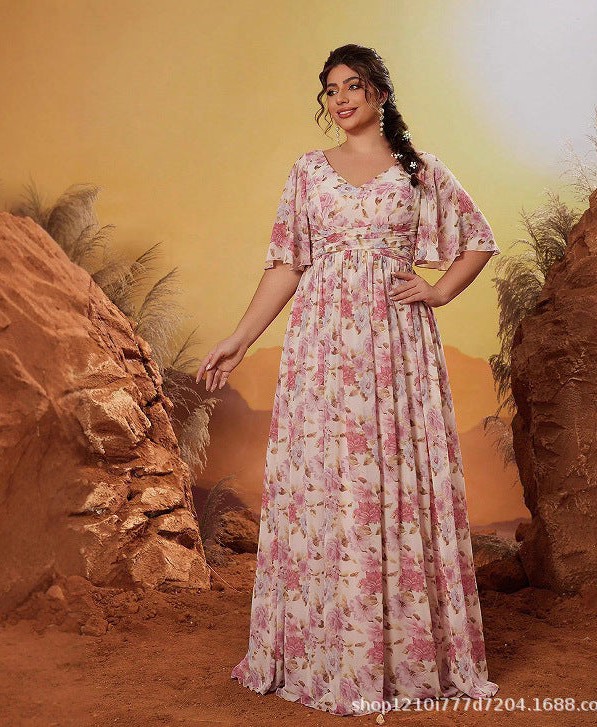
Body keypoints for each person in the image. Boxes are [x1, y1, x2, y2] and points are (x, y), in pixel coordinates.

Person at [195, 43, 501, 717]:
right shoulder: (308, 172)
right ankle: (327, 650)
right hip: (323, 351)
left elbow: (479, 239)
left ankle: (404, 655)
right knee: (329, 481)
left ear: (380, 94)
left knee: (394, 475)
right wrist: (239, 339)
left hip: (397, 349)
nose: (340, 98)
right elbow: (285, 265)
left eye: (353, 85)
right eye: (330, 88)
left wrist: (438, 291)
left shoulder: (420, 171)